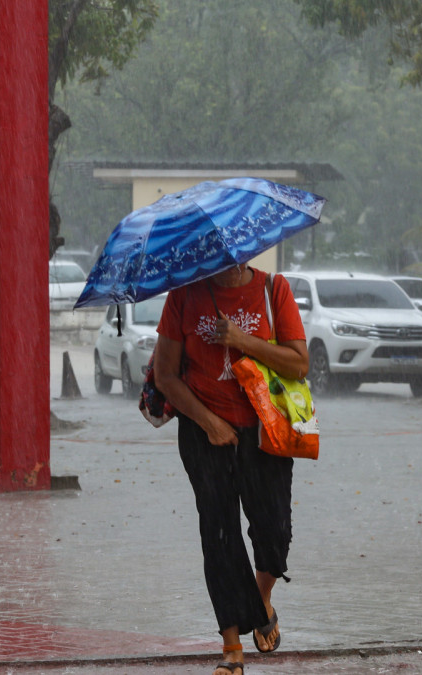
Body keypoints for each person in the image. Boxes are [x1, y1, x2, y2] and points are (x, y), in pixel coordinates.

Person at [153, 262, 308, 675]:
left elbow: (299, 363)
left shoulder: (273, 289)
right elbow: (165, 375)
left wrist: (242, 339)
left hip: (265, 432)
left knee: (275, 532)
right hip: (204, 434)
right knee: (219, 535)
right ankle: (231, 646)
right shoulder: (184, 295)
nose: (229, 261)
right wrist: (209, 422)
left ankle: (261, 600)